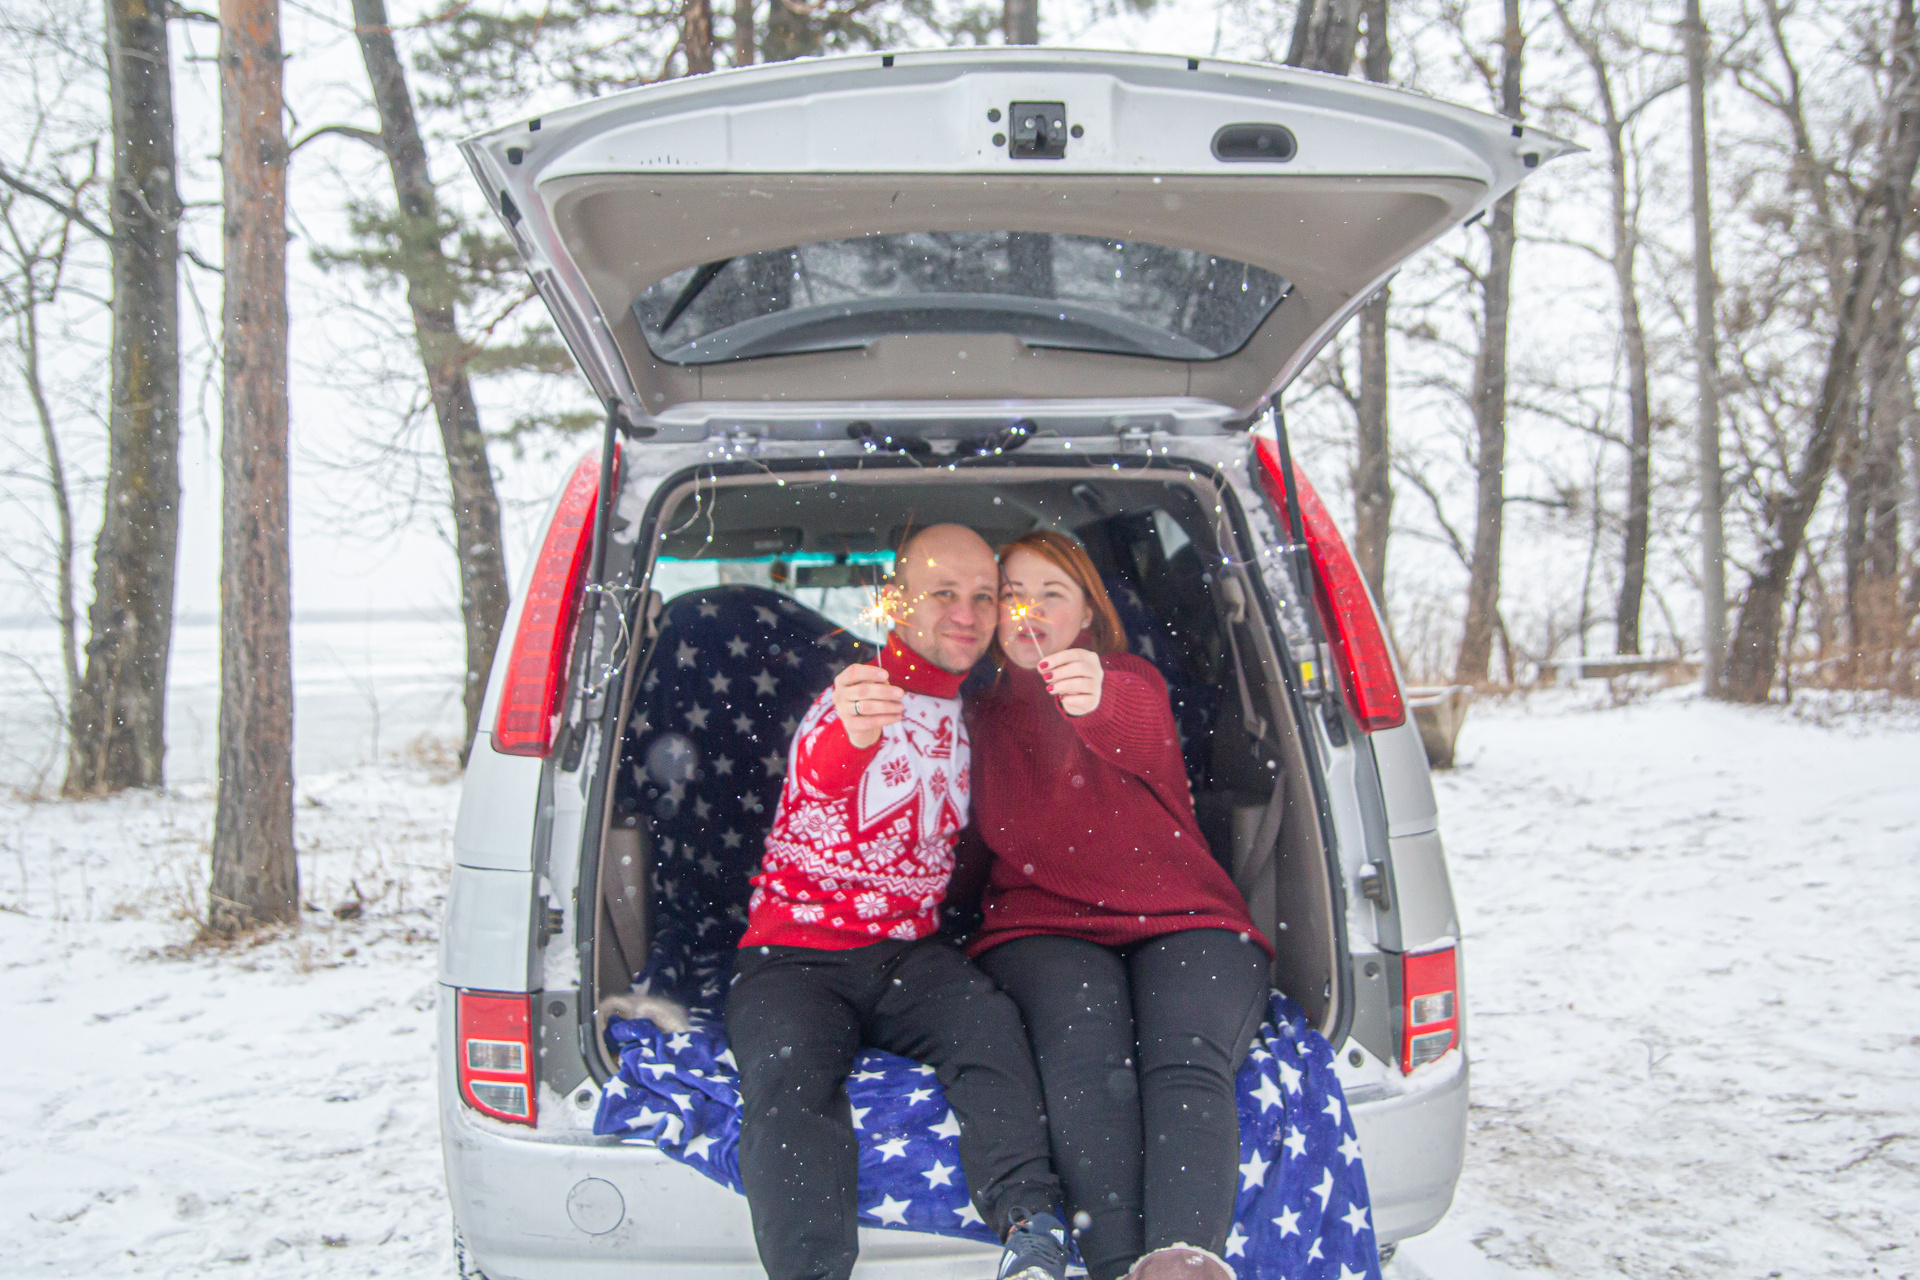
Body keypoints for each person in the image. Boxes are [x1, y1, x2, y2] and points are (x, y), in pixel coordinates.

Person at [726, 524, 1070, 1280]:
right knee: (790, 1084)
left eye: (984, 597)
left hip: (907, 955)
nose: (966, 615)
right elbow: (825, 762)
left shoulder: (971, 711)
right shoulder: (858, 696)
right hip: (793, 957)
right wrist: (851, 730)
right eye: (942, 593)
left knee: (990, 1025)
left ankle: (1033, 1232)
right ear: (896, 603)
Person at [960, 530, 1274, 1280]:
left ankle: (1181, 1268)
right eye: (1012, 595)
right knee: (1087, 1064)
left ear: (1089, 615)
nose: (1030, 610)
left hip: (1185, 916)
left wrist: (1093, 694)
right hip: (1041, 923)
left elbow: (1130, 720)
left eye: (1052, 594)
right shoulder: (976, 715)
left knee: (1184, 1059)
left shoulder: (1128, 679)